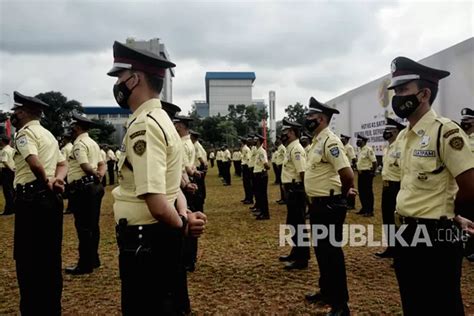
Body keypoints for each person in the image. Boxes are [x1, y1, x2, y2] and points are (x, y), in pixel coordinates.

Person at [108, 40, 207, 314]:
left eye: (120, 77)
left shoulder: (145, 125)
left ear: (135, 79)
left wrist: (181, 224)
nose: (117, 84)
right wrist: (184, 217)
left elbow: (156, 202)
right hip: (155, 240)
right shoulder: (160, 120)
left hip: (146, 243)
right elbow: (172, 186)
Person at [388, 56, 474, 315]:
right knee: (413, 303)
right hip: (405, 232)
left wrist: (451, 215)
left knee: (442, 305)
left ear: (424, 94)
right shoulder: (405, 135)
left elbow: (469, 186)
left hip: (435, 238)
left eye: (403, 90)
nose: (397, 97)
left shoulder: (445, 132)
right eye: (396, 91)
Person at [11, 91, 67, 315]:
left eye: (17, 110)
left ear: (25, 112)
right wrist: (56, 181)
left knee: (27, 258)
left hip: (31, 200)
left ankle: (33, 308)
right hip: (50, 199)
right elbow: (62, 164)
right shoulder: (49, 135)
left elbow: (33, 162)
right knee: (50, 257)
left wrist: (45, 180)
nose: (14, 114)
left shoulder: (24, 134)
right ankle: (51, 307)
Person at [304, 97, 355, 316]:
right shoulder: (316, 141)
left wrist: (341, 197)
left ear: (322, 119)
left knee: (332, 254)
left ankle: (341, 304)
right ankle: (326, 291)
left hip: (330, 205)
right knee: (322, 251)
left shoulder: (330, 142)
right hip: (318, 204)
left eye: (310, 117)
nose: (307, 120)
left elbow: (347, 174)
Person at [64, 113, 106, 275]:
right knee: (93, 225)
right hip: (94, 187)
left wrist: (95, 174)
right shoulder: (93, 143)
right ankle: (93, 259)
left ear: (77, 127)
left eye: (73, 126)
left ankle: (85, 263)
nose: (72, 129)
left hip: (83, 188)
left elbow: (84, 165)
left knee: (83, 227)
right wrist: (100, 175)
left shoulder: (79, 144)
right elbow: (101, 163)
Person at [278, 119, 310, 270]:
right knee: (293, 224)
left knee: (298, 225)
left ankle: (302, 259)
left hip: (296, 190)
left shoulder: (296, 149)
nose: (283, 134)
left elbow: (302, 172)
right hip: (291, 190)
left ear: (292, 133)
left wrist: (306, 193)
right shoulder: (290, 148)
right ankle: (296, 252)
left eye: (285, 131)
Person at [374, 117, 404, 259]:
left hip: (398, 187)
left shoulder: (402, 147)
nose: (386, 132)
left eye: (388, 130)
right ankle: (391, 248)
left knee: (398, 221)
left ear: (396, 131)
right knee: (387, 219)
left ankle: (400, 252)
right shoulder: (387, 148)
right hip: (386, 188)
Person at [460, 107, 474, 262]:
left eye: (467, 121)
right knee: (464, 214)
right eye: (462, 121)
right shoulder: (461, 138)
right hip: (463, 184)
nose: (464, 123)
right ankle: (466, 246)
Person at [355, 134, 377, 217]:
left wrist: (373, 172)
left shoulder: (368, 149)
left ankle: (370, 211)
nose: (358, 142)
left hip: (367, 174)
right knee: (361, 192)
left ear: (363, 141)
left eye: (359, 140)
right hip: (360, 174)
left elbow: (374, 162)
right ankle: (364, 208)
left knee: (368, 192)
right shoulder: (360, 150)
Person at [252, 134, 270, 220]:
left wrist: (267, 168)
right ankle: (262, 211)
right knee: (259, 194)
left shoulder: (262, 151)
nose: (254, 141)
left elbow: (266, 164)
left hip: (261, 175)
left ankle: (265, 214)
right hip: (258, 174)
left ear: (259, 141)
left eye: (255, 140)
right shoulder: (258, 150)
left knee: (263, 195)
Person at [340, 134, 356, 210]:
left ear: (346, 140)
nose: (341, 140)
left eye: (342, 139)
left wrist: (352, 167)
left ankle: (351, 204)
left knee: (350, 187)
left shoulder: (349, 147)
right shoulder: (342, 147)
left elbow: (353, 158)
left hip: (348, 168)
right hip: (343, 169)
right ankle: (346, 202)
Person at [0, 135, 16, 215]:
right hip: (13, 171)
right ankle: (13, 208)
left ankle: (8, 210)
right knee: (12, 190)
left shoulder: (4, 151)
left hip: (6, 171)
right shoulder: (12, 150)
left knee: (7, 191)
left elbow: (4, 162)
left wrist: (10, 169)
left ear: (2, 141)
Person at [240, 136, 253, 204]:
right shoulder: (243, 148)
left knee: (248, 184)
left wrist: (248, 168)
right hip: (244, 166)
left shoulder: (246, 149)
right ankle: (247, 197)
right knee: (245, 183)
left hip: (247, 167)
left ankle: (249, 198)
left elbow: (248, 159)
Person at [274, 137, 286, 204]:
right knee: (281, 183)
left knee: (282, 183)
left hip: (282, 166)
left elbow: (284, 157)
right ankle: (282, 197)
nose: (277, 140)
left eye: (278, 139)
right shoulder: (279, 148)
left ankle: (284, 198)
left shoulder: (282, 148)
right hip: (279, 166)